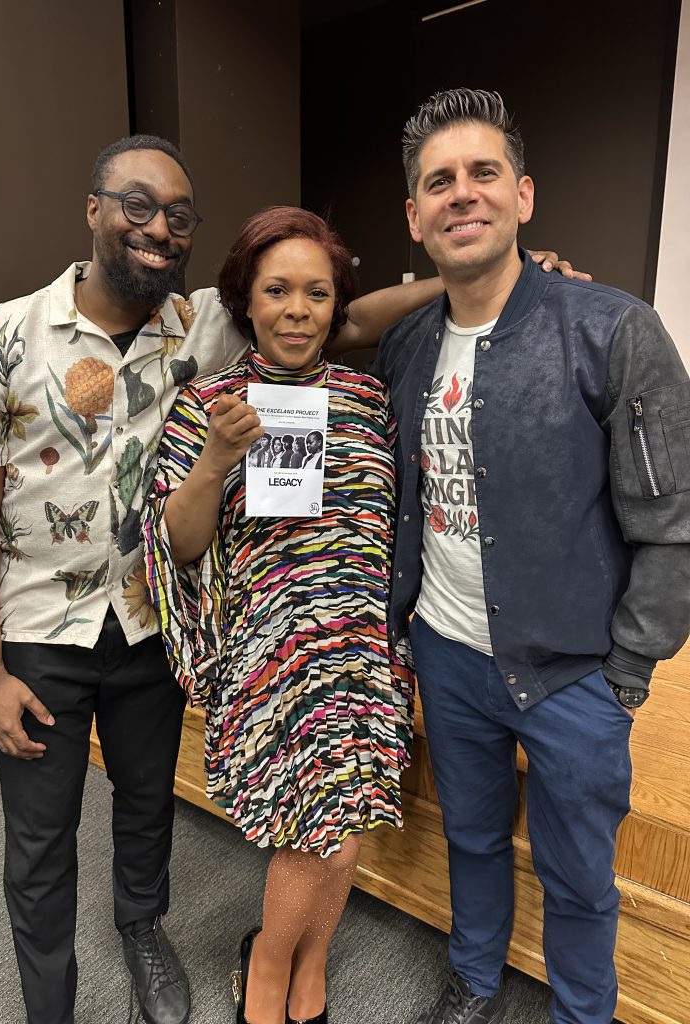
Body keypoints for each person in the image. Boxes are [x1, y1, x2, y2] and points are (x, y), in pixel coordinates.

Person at [0, 134, 464, 1024]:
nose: (158, 229)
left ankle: (143, 933)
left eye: (179, 216)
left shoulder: (201, 324)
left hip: (150, 625)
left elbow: (344, 316)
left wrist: (478, 276)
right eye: (137, 205)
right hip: (40, 629)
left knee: (147, 806)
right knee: (40, 836)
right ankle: (48, 1006)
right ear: (93, 208)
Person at [374, 89, 690, 1024]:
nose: (462, 193)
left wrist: (628, 671)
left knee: (579, 876)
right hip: (447, 653)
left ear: (523, 196)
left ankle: (582, 1014)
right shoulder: (407, 345)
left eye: (484, 173)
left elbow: (673, 522)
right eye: (439, 182)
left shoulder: (612, 329)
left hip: (575, 672)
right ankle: (475, 981)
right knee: (471, 839)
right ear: (414, 216)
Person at [141, 207, 417, 1024]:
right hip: (271, 651)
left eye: (317, 293)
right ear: (246, 301)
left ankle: (307, 964)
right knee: (314, 831)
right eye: (277, 291)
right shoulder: (209, 405)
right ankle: (267, 964)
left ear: (336, 306)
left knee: (346, 820)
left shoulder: (368, 400)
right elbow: (179, 544)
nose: (298, 310)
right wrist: (217, 459)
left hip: (362, 648)